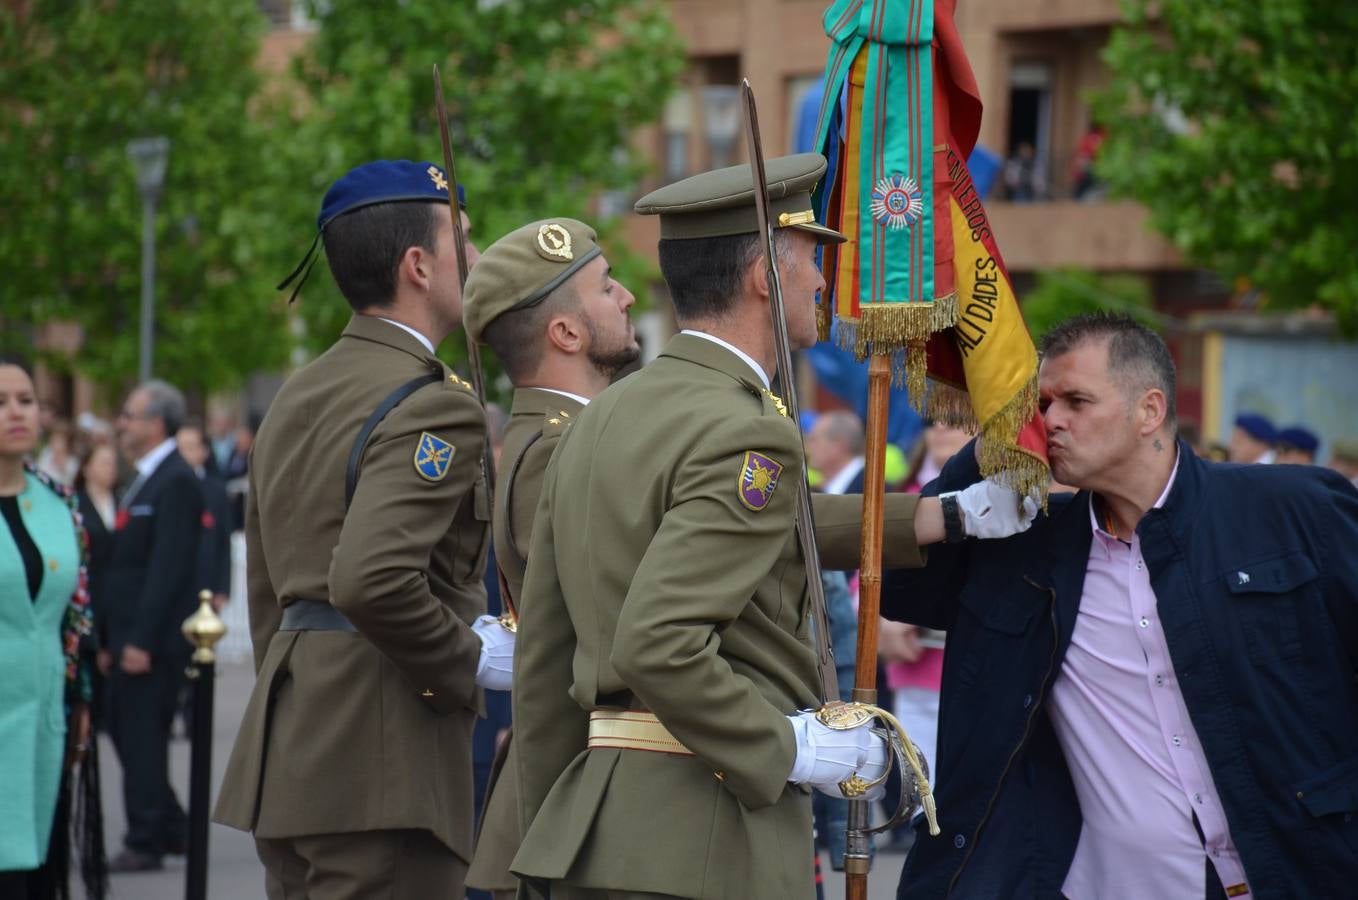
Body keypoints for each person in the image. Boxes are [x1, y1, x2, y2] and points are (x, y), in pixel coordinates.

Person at [510, 153, 1037, 900]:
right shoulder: (746, 429)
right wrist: (790, 745)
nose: (824, 281)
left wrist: (940, 517)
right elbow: (656, 643)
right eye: (812, 259)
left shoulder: (603, 419)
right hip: (707, 840)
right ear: (765, 274)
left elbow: (545, 661)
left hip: (595, 835)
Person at [882, 312, 1358, 898]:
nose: (1052, 420)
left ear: (1149, 411)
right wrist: (990, 444)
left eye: (1076, 401)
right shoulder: (1028, 551)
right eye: (1043, 403)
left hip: (1301, 868)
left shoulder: (1293, 509)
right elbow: (903, 586)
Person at [214, 159, 513, 900]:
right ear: (418, 264)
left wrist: (304, 705)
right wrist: (469, 657)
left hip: (297, 745)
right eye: (463, 242)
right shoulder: (435, 404)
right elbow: (370, 578)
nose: (475, 261)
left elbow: (270, 589)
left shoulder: (298, 392)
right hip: (385, 763)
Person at [460, 217, 641, 899]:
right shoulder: (555, 453)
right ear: (564, 333)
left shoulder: (575, 438)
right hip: (574, 805)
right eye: (605, 287)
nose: (624, 297)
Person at [0, 356, 103, 899]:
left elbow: (76, 617)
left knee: (36, 869)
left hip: (45, 719)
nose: (16, 412)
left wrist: (80, 698)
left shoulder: (59, 504)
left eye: (25, 400)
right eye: (0, 402)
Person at [103, 379, 204, 872]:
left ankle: (145, 838)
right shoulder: (148, 476)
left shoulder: (175, 479)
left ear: (156, 423)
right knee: (126, 732)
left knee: (142, 738)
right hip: (126, 635)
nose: (122, 424)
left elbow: (166, 569)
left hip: (149, 642)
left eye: (130, 415)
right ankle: (170, 825)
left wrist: (140, 640)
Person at [74, 442, 119, 727]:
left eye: (113, 463)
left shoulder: (123, 499)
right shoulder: (76, 503)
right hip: (91, 587)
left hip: (115, 592)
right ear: (87, 468)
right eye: (103, 462)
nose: (109, 469)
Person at [175, 422, 232, 611]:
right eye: (180, 448)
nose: (184, 454)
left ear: (204, 452)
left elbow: (223, 540)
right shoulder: (165, 488)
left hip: (206, 584)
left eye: (191, 448)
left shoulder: (216, 491)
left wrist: (223, 589)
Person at [805, 409, 866, 496]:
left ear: (838, 447)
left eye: (814, 440)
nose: (808, 446)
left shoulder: (871, 493)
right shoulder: (821, 489)